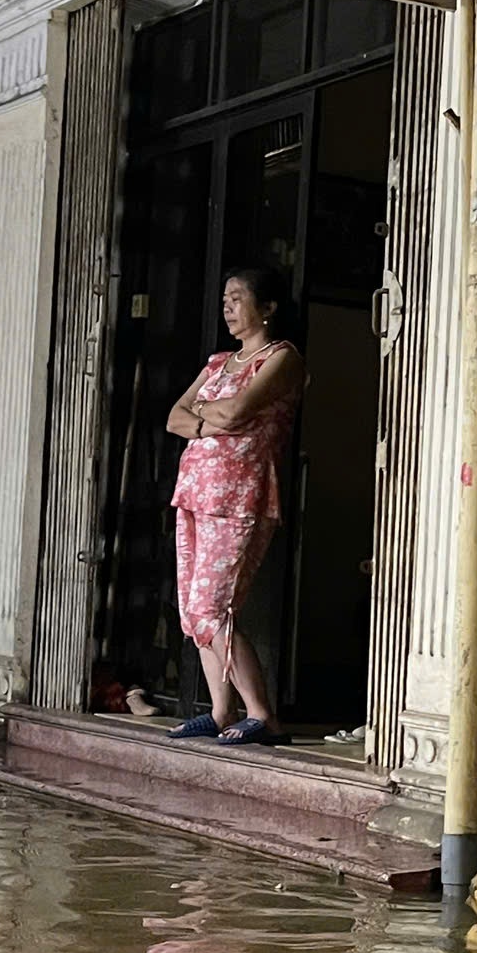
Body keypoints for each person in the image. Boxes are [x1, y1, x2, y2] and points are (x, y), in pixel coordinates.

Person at [162, 269, 305, 745]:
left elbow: (239, 412)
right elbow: (173, 417)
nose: (227, 306)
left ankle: (263, 714)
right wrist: (210, 420)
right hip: (194, 492)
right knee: (193, 613)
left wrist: (204, 415)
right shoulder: (219, 362)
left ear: (267, 308)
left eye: (238, 297)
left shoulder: (280, 358)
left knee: (210, 608)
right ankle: (221, 712)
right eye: (224, 297)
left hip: (239, 493)